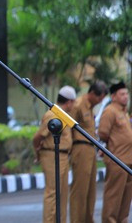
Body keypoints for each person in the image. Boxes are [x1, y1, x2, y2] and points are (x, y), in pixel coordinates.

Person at [33, 85, 76, 223]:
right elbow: (38, 137)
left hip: (63, 156)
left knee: (62, 194)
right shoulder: (53, 114)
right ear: (69, 102)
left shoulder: (63, 115)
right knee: (52, 193)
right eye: (73, 102)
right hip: (51, 155)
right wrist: (37, 151)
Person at [69, 81, 107, 223]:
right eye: (99, 98)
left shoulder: (90, 107)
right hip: (80, 148)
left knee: (91, 191)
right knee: (80, 190)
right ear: (91, 93)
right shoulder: (78, 105)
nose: (99, 102)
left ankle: (87, 220)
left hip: (91, 149)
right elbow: (69, 128)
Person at [98, 82, 132, 223]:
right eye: (122, 94)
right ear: (113, 97)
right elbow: (103, 133)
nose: (125, 97)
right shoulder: (110, 111)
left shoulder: (123, 112)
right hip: (117, 160)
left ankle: (122, 220)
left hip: (129, 160)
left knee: (126, 198)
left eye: (126, 93)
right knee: (113, 197)